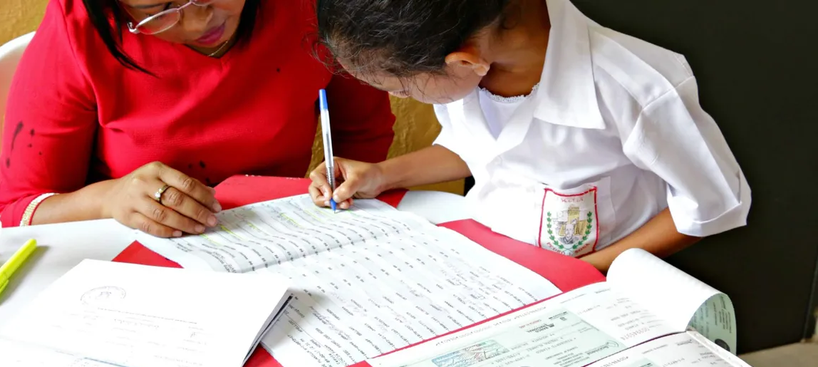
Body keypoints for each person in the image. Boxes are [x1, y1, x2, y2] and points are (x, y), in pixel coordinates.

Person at [308, 0, 750, 272]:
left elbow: (713, 204)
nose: (401, 97)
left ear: (464, 62)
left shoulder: (635, 86)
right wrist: (382, 174)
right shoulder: (464, 58)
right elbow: (475, 147)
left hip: (601, 287)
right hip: (497, 267)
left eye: (403, 90)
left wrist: (586, 272)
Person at [0, 0, 394, 237]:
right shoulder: (77, 28)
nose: (201, 20)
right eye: (160, 11)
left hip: (282, 242)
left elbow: (363, 136)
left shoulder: (314, 8)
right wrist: (109, 200)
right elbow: (15, 212)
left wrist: (344, 193)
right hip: (130, 263)